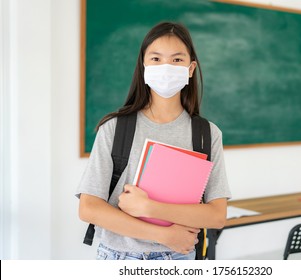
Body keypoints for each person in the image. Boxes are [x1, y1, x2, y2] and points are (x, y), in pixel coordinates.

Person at [76, 21, 231, 260]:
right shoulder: (115, 128)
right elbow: (89, 208)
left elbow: (217, 215)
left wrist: (150, 208)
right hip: (119, 257)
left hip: (180, 258)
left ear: (190, 69)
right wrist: (163, 235)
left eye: (177, 60)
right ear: (144, 66)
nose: (166, 67)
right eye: (156, 59)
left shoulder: (207, 134)